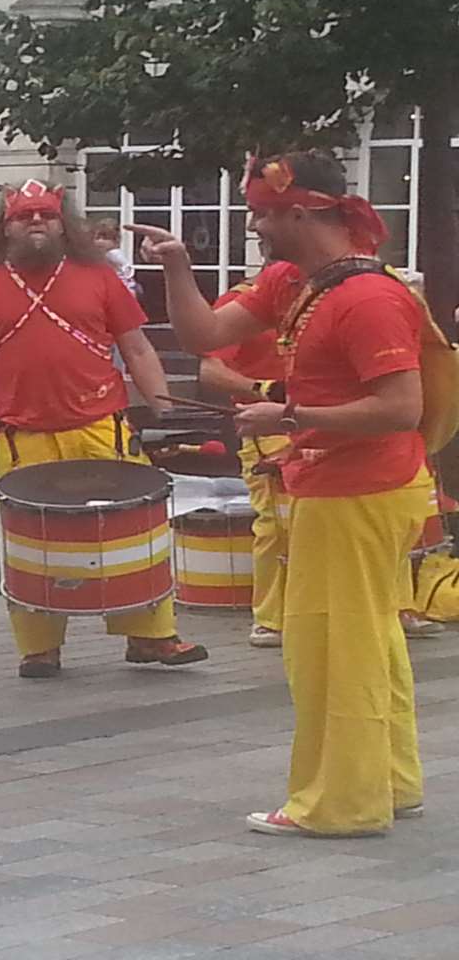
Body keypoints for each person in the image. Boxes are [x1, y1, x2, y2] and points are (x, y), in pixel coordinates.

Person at [142, 151, 442, 838]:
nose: (254, 227)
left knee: (335, 648)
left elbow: (400, 407)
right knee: (368, 639)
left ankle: (341, 803)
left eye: (262, 215)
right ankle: (387, 781)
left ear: (301, 212)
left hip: (359, 491)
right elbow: (207, 336)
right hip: (344, 486)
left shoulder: (367, 298)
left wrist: (292, 417)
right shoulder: (293, 282)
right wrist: (177, 268)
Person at [0, 179, 206, 678]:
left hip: (102, 427)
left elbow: (138, 348)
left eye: (47, 215)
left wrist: (162, 409)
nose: (36, 223)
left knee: (132, 534)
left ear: (64, 225)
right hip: (24, 438)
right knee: (33, 543)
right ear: (5, 227)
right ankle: (40, 648)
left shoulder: (99, 277)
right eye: (24, 216)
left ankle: (151, 637)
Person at [195, 258, 292, 649]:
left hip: (324, 424)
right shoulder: (242, 302)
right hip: (266, 428)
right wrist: (264, 389)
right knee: (275, 524)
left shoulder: (320, 299)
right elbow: (211, 371)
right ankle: (270, 619)